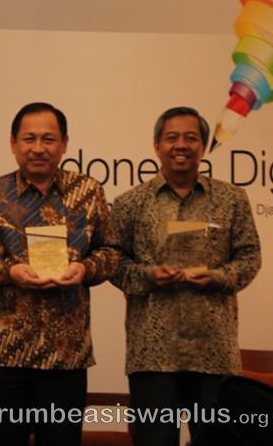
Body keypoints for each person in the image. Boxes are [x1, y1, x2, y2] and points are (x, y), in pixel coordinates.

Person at [110, 106, 261, 446]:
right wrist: (150, 275)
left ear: (203, 146)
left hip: (214, 353)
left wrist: (217, 277)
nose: (181, 145)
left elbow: (250, 257)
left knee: (218, 443)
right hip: (152, 354)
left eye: (191, 138)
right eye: (172, 138)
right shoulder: (130, 203)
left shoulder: (232, 199)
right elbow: (114, 264)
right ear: (157, 145)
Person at [0, 102, 119, 446]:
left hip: (66, 356)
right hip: (5, 355)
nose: (38, 148)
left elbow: (112, 253)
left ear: (64, 143)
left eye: (48, 139)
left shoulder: (88, 192)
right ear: (13, 143)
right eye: (29, 139)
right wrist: (10, 272)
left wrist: (85, 268)